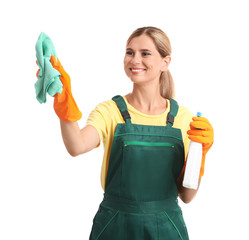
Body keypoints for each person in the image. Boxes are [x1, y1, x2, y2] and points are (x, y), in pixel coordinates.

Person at [37, 26, 214, 239]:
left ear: (165, 63)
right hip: (115, 226)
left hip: (166, 228)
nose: (134, 60)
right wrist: (64, 100)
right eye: (129, 52)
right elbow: (76, 146)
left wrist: (199, 157)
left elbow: (187, 196)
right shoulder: (110, 111)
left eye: (145, 53)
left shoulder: (184, 119)